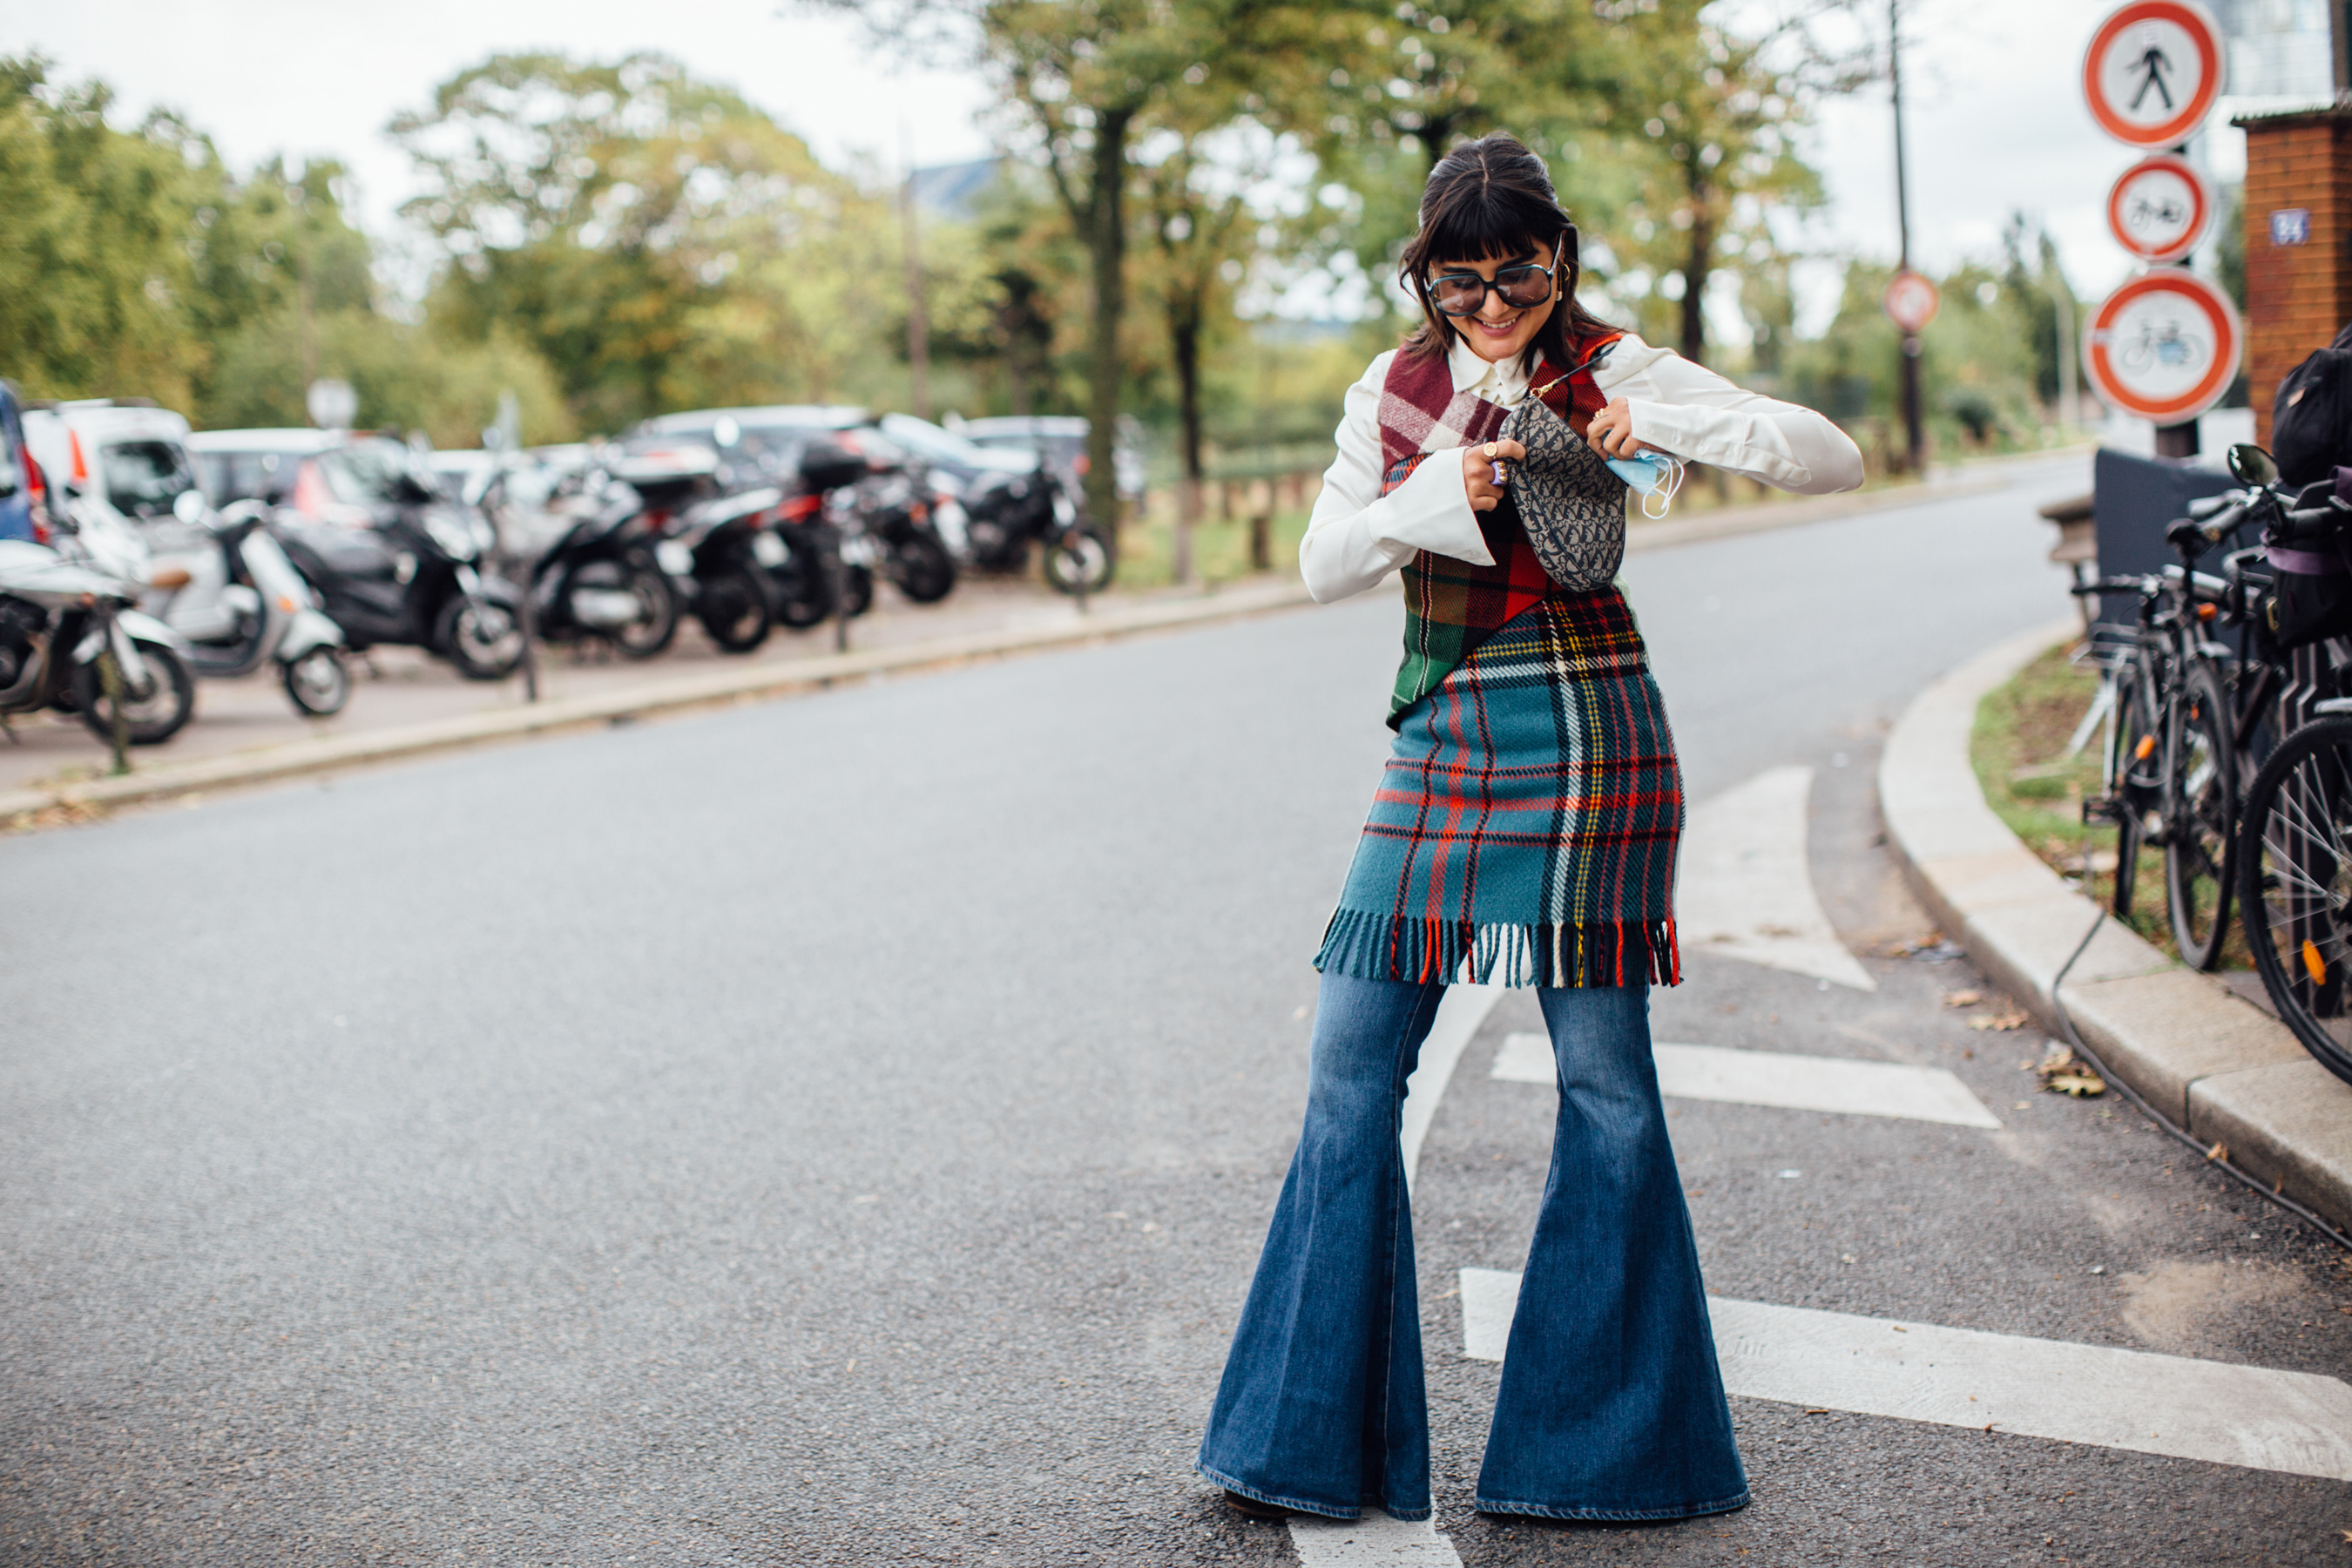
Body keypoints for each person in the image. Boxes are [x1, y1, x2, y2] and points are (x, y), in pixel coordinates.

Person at [1196, 132, 1863, 1526]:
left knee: (1605, 1085)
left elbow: (1831, 460)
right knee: (1347, 1064)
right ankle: (1302, 1440)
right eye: (1462, 279)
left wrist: (1671, 428)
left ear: (1559, 261)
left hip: (1593, 737)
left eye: (1520, 275)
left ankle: (1603, 1458)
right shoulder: (1392, 390)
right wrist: (1443, 497)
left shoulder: (1615, 364)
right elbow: (1325, 561)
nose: (1493, 306)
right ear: (1424, 275)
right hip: (1440, 737)